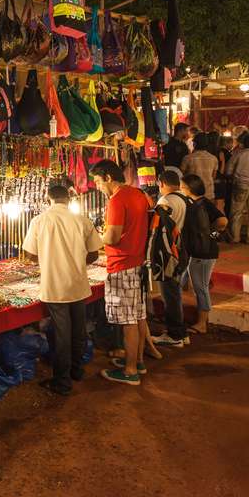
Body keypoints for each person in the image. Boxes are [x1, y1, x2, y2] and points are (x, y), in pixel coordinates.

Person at [22, 183, 103, 396]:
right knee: (78, 329)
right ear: (69, 199)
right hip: (78, 283)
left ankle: (62, 381)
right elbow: (95, 253)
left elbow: (30, 254)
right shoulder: (81, 220)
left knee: (62, 334)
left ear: (48, 198)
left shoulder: (39, 221)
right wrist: (76, 262)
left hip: (55, 286)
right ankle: (77, 370)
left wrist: (49, 259)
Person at [90, 159, 151, 386]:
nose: (97, 186)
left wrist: (95, 235)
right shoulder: (137, 194)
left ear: (107, 177)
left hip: (122, 265)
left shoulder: (116, 201)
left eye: (97, 181)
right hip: (137, 261)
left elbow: (113, 237)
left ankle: (130, 370)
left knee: (127, 321)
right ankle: (139, 361)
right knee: (138, 315)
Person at [179, 174, 227, 334]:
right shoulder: (194, 203)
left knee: (201, 287)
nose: (180, 189)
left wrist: (209, 234)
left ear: (188, 189)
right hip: (195, 252)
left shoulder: (204, 204)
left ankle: (202, 324)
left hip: (204, 253)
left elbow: (223, 221)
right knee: (181, 282)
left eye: (181, 186)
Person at [150, 169, 189, 348]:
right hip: (181, 251)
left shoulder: (165, 201)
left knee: (170, 294)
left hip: (168, 253)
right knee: (175, 292)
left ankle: (174, 335)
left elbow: (158, 230)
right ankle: (180, 332)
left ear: (162, 183)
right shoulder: (184, 199)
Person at [181, 132, 219, 202]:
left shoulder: (188, 158)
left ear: (194, 144)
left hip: (192, 194)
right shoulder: (213, 158)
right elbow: (213, 177)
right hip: (209, 193)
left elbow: (182, 175)